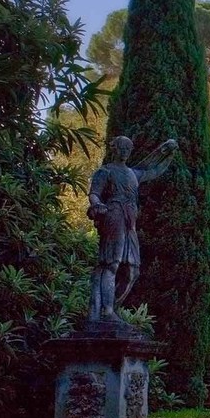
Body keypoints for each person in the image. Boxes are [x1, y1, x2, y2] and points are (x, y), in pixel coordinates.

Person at [87, 135, 177, 321]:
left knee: (133, 271)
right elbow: (94, 194)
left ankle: (112, 310)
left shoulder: (134, 173)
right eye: (122, 148)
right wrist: (97, 205)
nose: (125, 152)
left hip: (130, 222)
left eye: (128, 149)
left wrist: (169, 154)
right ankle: (107, 312)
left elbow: (156, 170)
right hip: (114, 215)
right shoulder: (105, 171)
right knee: (112, 264)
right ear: (114, 149)